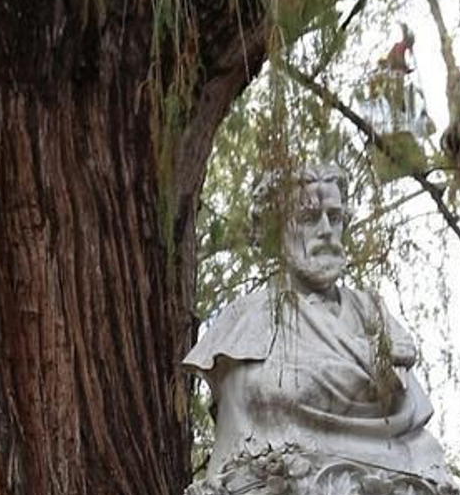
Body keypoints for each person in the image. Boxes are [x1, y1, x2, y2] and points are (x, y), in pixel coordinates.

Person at [184, 161, 432, 452]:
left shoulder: (374, 315)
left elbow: (408, 399)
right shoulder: (244, 320)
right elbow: (251, 405)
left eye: (335, 217)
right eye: (308, 218)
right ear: (276, 230)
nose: (326, 230)